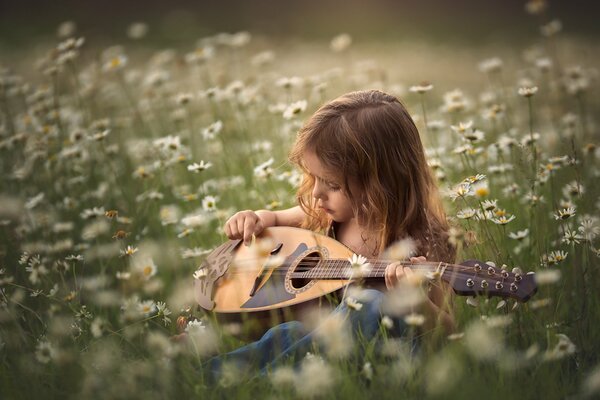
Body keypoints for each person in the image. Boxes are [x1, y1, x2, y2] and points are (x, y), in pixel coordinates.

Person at [208, 89, 456, 379]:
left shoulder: (424, 238)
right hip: (324, 347)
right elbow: (273, 219)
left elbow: (449, 333)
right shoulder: (326, 213)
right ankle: (211, 372)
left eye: (332, 184)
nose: (316, 193)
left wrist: (416, 301)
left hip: (384, 361)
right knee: (289, 331)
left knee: (369, 303)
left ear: (382, 182)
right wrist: (252, 219)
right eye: (314, 179)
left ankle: (257, 382)